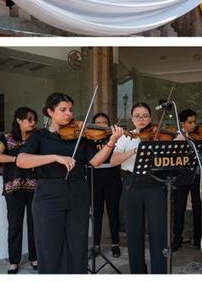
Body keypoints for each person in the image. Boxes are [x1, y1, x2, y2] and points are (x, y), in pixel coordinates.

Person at [16, 92, 124, 274]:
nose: (68, 114)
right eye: (63, 109)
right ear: (50, 111)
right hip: (48, 194)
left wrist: (111, 141)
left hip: (78, 192)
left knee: (77, 245)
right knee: (49, 247)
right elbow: (21, 160)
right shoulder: (39, 136)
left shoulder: (80, 136)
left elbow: (96, 162)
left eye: (71, 110)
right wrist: (54, 157)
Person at [109, 103, 167, 274]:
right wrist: (135, 151)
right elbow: (113, 160)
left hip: (155, 184)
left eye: (144, 116)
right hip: (130, 184)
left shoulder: (157, 136)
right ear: (132, 118)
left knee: (158, 231)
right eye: (137, 115)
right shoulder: (125, 137)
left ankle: (159, 273)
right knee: (134, 232)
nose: (141, 119)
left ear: (150, 118)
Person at [0, 107, 40, 273]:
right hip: (14, 187)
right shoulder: (6, 137)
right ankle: (14, 261)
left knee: (35, 225)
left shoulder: (37, 137)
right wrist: (19, 159)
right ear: (18, 120)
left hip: (35, 187)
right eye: (29, 119)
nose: (33, 123)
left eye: (35, 120)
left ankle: (35, 257)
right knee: (14, 225)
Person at [88, 113, 122, 258]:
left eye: (104, 122)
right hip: (94, 178)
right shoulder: (89, 139)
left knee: (113, 212)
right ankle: (96, 245)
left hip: (112, 177)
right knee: (96, 213)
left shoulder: (114, 138)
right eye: (98, 122)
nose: (101, 125)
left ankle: (115, 244)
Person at [172, 109, 202, 251]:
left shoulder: (198, 137)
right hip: (181, 176)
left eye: (194, 122)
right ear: (182, 123)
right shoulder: (176, 137)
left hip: (196, 176)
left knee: (198, 207)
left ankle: (198, 239)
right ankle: (177, 238)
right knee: (179, 208)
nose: (193, 125)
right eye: (190, 122)